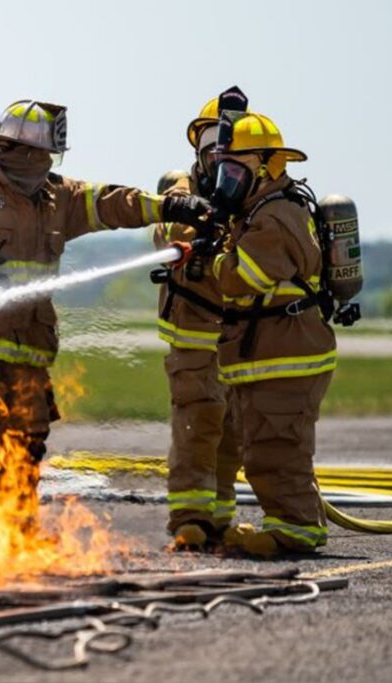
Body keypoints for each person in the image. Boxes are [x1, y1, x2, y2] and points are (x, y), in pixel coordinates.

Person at [0, 99, 211, 499]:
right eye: (39, 155)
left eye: (50, 157)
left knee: (26, 453)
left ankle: (16, 544)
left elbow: (112, 203)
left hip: (30, 354)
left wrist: (170, 206)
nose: (45, 165)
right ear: (10, 149)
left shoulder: (58, 198)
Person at [175, 111, 336, 556]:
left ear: (267, 166)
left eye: (234, 169)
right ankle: (288, 521)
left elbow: (243, 277)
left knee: (277, 447)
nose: (224, 180)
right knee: (260, 445)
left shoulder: (278, 216)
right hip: (265, 354)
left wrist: (210, 259)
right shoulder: (258, 209)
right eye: (222, 168)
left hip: (287, 355)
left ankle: (296, 529)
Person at [153, 90, 249, 550]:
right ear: (198, 146)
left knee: (233, 427)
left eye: (229, 142)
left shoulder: (254, 193)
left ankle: (221, 515)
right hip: (194, 333)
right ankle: (189, 517)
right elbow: (167, 234)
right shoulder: (183, 192)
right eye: (213, 141)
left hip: (240, 336)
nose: (221, 152)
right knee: (198, 422)